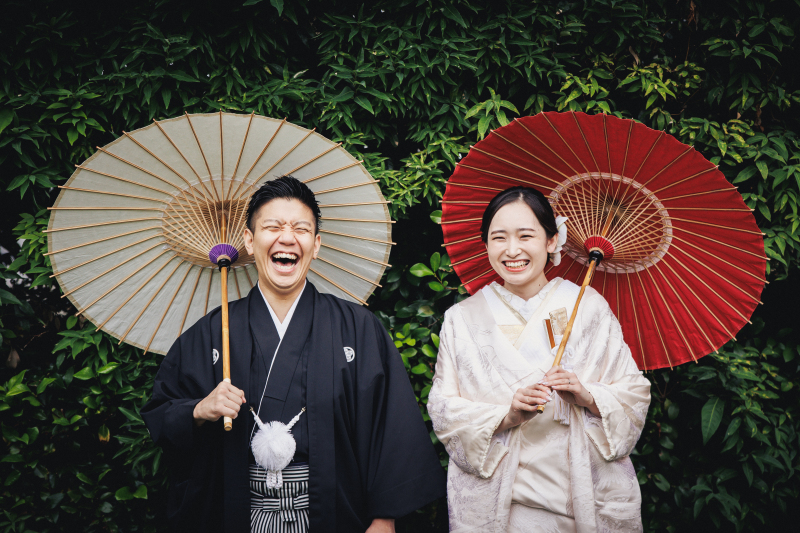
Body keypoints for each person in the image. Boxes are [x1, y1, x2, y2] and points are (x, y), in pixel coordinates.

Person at [142, 176, 446, 533]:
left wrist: (384, 518)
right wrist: (198, 410)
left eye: (300, 228)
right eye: (272, 227)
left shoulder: (359, 329)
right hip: (238, 511)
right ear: (249, 242)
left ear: (315, 245)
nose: (287, 237)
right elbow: (161, 415)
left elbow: (391, 427)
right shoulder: (211, 332)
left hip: (335, 512)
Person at [428, 186, 651, 532]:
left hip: (580, 502)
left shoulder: (588, 307)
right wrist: (508, 414)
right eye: (498, 237)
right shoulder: (461, 319)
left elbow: (633, 394)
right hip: (503, 508)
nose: (512, 250)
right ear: (485, 244)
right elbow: (443, 411)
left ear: (551, 241)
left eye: (526, 236)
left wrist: (587, 396)